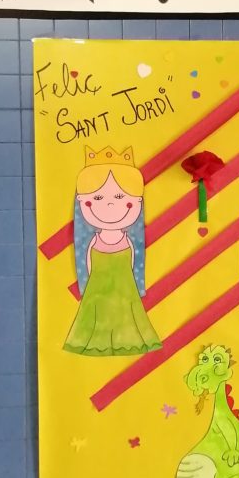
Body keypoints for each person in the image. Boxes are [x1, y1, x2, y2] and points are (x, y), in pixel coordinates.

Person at [63, 145, 161, 356]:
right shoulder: (93, 241)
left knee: (128, 318)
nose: (109, 206)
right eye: (98, 198)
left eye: (119, 197)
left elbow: (134, 264)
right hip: (96, 294)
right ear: (82, 202)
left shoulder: (129, 241)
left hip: (126, 293)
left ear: (137, 202)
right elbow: (88, 265)